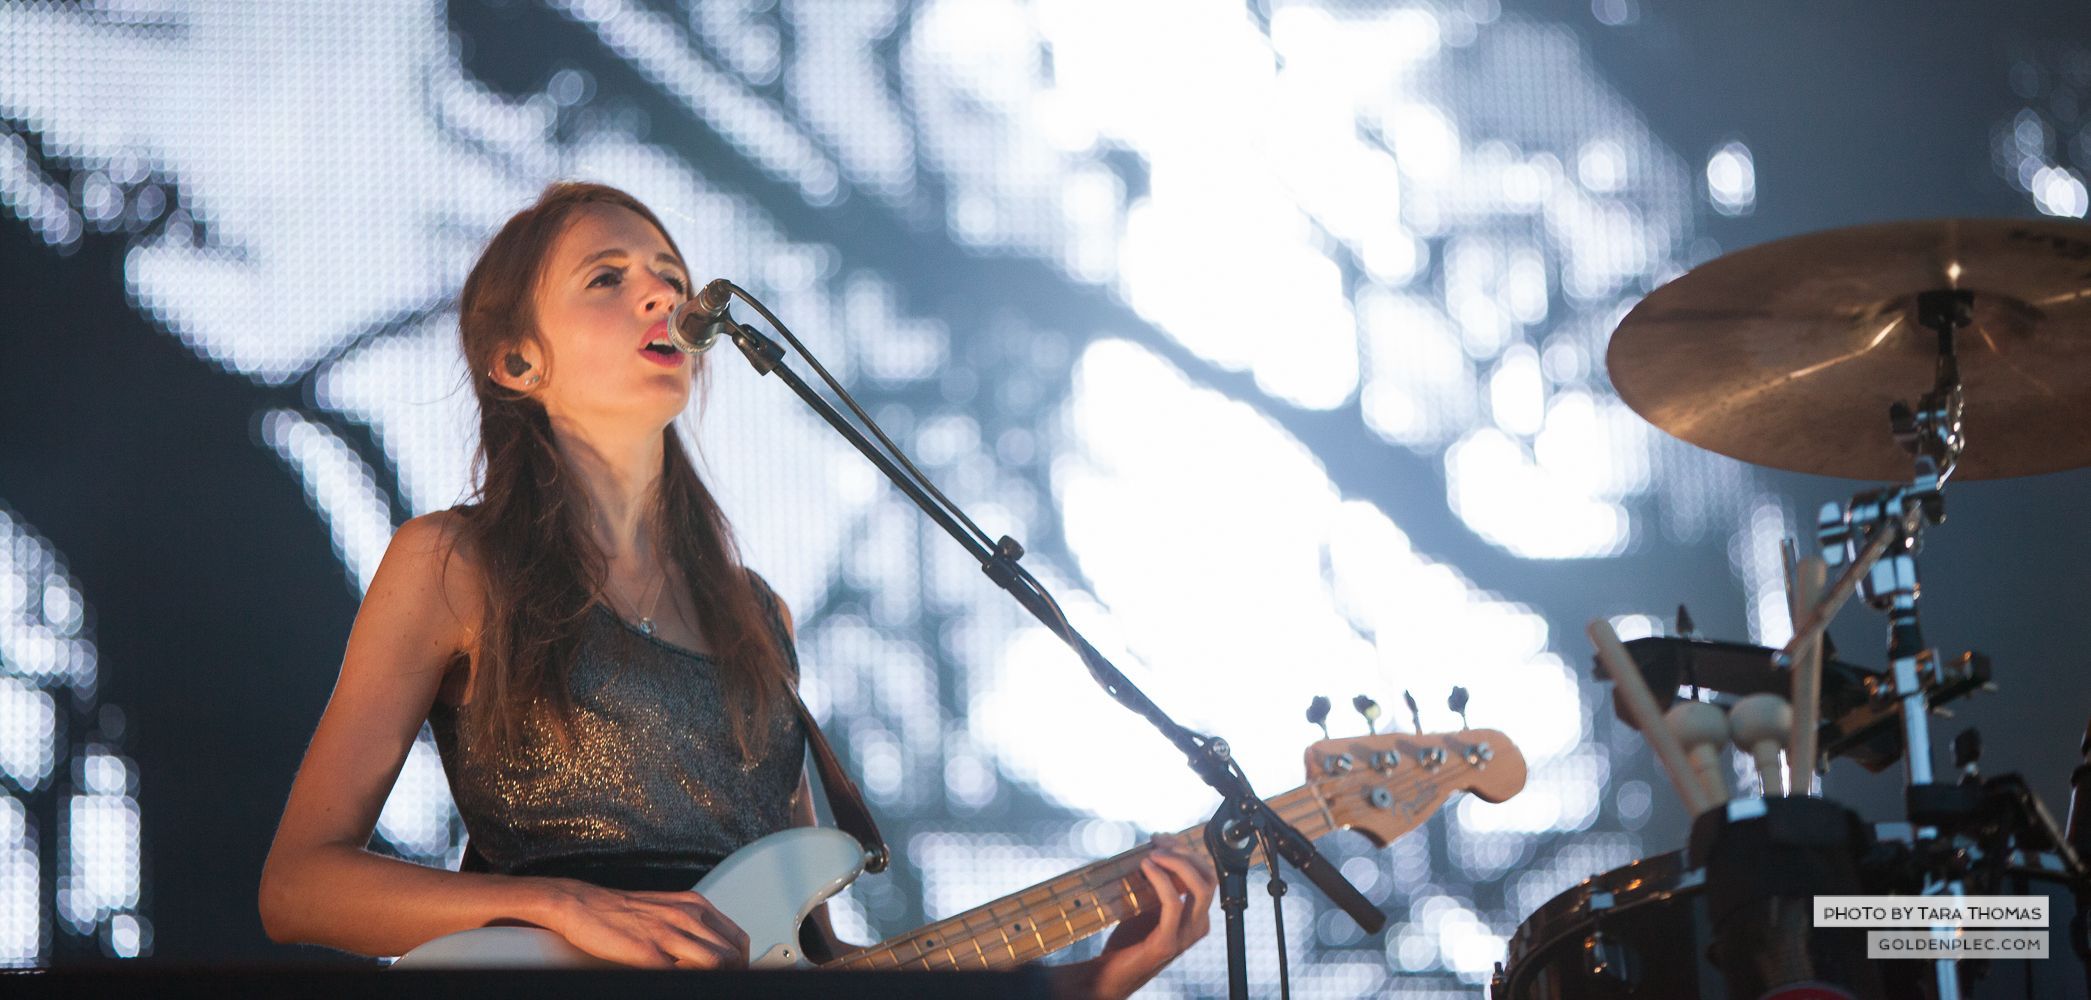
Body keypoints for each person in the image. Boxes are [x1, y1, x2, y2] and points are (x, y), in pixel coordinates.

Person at [257, 181, 1216, 996]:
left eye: (671, 279)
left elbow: (817, 960)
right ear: (519, 361)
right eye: (609, 279)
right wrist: (561, 902)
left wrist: (1074, 984)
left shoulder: (757, 617)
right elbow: (299, 888)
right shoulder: (453, 564)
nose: (660, 297)